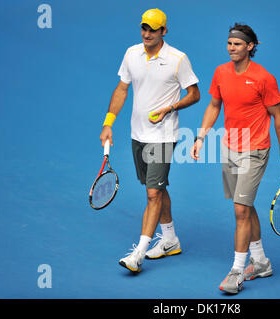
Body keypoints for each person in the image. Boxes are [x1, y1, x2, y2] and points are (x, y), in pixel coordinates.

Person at [191, 23, 280, 294]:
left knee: (240, 210)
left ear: (250, 47)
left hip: (256, 149)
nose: (231, 48)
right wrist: (200, 137)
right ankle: (261, 262)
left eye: (237, 44)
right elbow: (214, 105)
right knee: (244, 207)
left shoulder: (264, 78)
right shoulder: (220, 73)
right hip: (229, 148)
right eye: (229, 43)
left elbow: (279, 117)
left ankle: (237, 270)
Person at [100, 8, 200, 273]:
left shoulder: (178, 59)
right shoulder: (132, 54)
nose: (146, 34)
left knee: (153, 193)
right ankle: (170, 239)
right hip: (138, 134)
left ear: (163, 31)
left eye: (152, 30)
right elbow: (122, 88)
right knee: (158, 187)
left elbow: (195, 94)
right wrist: (108, 123)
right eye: (143, 28)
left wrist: (171, 108)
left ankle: (138, 254)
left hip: (163, 136)